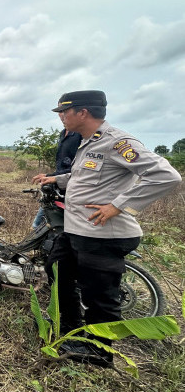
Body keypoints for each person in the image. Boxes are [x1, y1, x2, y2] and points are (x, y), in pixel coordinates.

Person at [36, 90, 181, 365]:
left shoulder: (117, 142)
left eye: (64, 112)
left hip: (103, 235)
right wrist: (55, 179)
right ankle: (70, 327)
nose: (61, 118)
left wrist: (118, 205)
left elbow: (166, 176)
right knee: (57, 270)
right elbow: (85, 175)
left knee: (99, 296)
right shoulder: (88, 142)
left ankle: (99, 352)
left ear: (83, 113)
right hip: (78, 229)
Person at [31, 114, 81, 228]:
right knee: (38, 226)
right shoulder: (63, 133)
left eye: (66, 111)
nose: (62, 115)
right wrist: (50, 176)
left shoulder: (81, 136)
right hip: (58, 188)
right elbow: (63, 166)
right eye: (59, 111)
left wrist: (52, 177)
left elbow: (79, 169)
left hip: (74, 189)